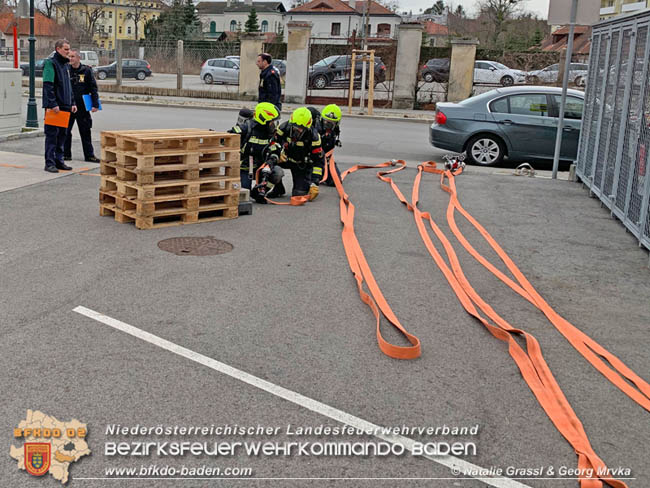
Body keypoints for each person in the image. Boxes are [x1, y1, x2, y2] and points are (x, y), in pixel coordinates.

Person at [235, 102, 284, 203]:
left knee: (277, 172)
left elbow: (275, 147)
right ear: (263, 120)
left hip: (262, 167)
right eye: (272, 122)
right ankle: (252, 190)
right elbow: (229, 137)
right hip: (245, 168)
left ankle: (261, 191)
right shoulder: (247, 128)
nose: (274, 125)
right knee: (245, 196)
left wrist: (272, 159)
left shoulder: (270, 132)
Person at [273, 107, 325, 201]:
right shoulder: (283, 128)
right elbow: (273, 143)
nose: (297, 130)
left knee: (298, 195)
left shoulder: (314, 137)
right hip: (285, 159)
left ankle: (304, 185)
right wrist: (278, 153)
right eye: (295, 127)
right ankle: (278, 188)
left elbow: (318, 161)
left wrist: (314, 183)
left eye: (301, 129)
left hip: (302, 164)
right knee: (270, 163)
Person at [42, 39, 77, 173]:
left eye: (69, 49)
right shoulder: (51, 64)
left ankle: (59, 161)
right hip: (55, 107)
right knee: (52, 135)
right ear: (58, 49)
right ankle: (49, 163)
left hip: (65, 106)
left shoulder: (65, 66)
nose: (69, 52)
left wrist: (72, 102)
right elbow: (48, 85)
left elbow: (68, 87)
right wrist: (52, 103)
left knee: (62, 135)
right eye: (66, 49)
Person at [64, 49, 100, 163]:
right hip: (69, 106)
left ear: (79, 58)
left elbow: (93, 88)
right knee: (66, 131)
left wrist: (95, 104)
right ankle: (66, 154)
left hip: (83, 106)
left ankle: (89, 155)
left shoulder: (86, 70)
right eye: (69, 56)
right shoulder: (66, 70)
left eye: (73, 56)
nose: (70, 59)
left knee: (85, 131)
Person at [310, 104, 342, 187]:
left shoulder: (334, 131)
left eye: (331, 123)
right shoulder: (314, 129)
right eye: (326, 122)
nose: (327, 125)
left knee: (335, 181)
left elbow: (329, 150)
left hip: (324, 157)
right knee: (313, 177)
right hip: (312, 157)